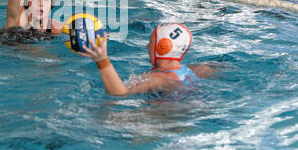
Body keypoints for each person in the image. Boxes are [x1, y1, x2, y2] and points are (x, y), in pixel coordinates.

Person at [79, 23, 215, 96]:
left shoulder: (158, 78)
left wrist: (102, 60)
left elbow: (120, 93)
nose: (147, 45)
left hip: (166, 121)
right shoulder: (195, 70)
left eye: (151, 41)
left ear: (163, 47)